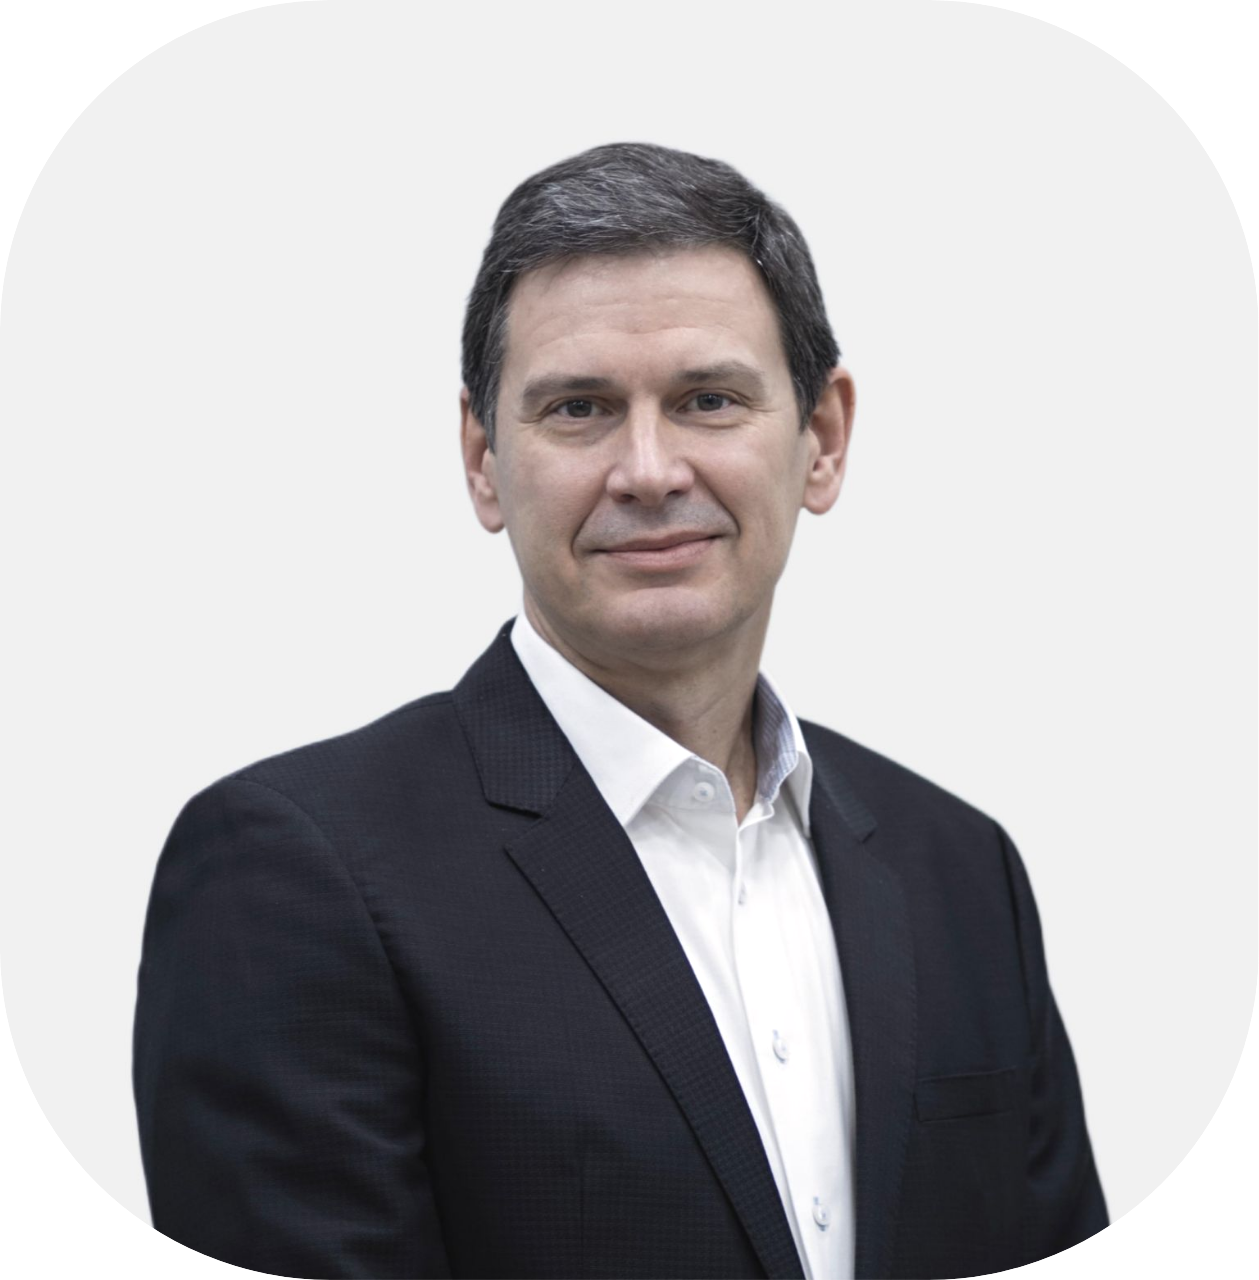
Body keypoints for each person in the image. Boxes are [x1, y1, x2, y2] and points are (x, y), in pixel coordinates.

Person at [132, 141, 1108, 1280]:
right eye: (579, 408)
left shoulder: (960, 869)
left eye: (708, 400)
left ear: (824, 438)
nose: (648, 469)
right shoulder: (294, 872)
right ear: (483, 460)